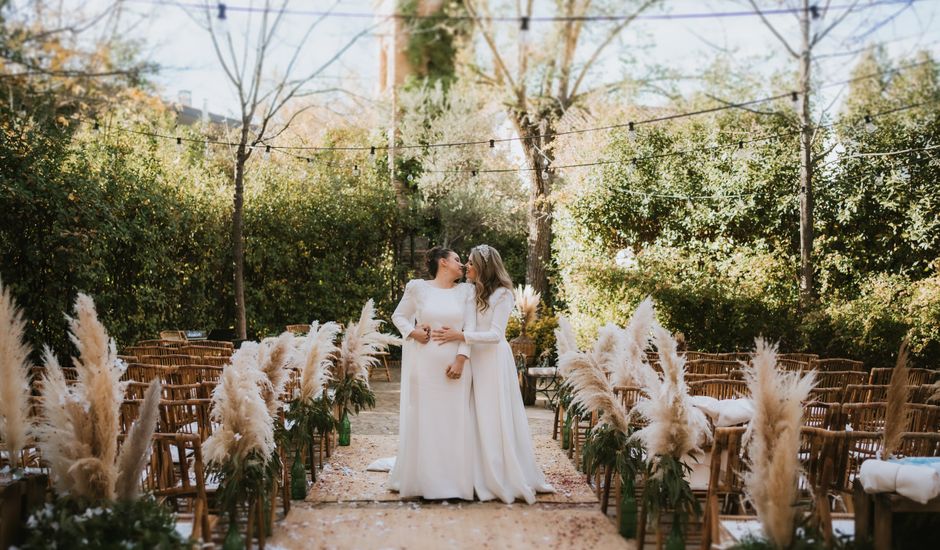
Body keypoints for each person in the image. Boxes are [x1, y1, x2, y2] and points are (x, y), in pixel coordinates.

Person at [432, 244, 553, 504]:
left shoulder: (502, 295)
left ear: (484, 267)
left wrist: (460, 335)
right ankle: (476, 473)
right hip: (475, 359)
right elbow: (463, 318)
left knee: (494, 415)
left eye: (471, 262)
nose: (466, 266)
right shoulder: (473, 292)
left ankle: (500, 474)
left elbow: (496, 335)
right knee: (476, 415)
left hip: (495, 361)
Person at [387, 247, 476, 500]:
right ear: (443, 262)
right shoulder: (418, 288)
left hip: (456, 367)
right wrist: (413, 332)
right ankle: (423, 482)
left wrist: (461, 359)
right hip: (424, 366)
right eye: (458, 260)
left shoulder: (466, 291)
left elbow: (470, 327)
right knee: (426, 419)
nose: (463, 265)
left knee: (455, 420)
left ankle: (454, 483)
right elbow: (399, 316)